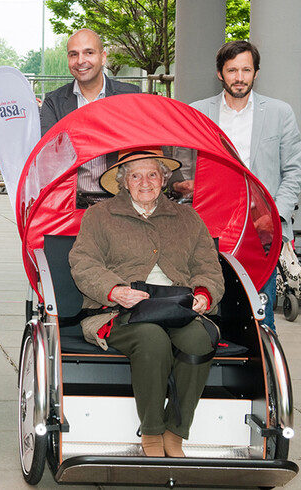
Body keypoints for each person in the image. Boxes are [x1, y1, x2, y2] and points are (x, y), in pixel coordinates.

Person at [69, 148, 224, 457]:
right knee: (151, 339)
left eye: (152, 174)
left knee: (198, 339)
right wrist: (115, 290)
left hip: (177, 308)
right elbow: (83, 263)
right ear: (124, 181)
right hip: (120, 310)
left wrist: (204, 295)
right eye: (136, 175)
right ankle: (152, 432)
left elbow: (209, 266)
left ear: (163, 179)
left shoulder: (187, 217)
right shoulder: (100, 216)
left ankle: (175, 431)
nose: (145, 182)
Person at [186, 40, 301, 330]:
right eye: (232, 70)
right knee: (206, 308)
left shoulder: (279, 112)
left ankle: (265, 373)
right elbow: (183, 170)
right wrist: (187, 187)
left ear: (256, 73)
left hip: (261, 229)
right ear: (219, 74)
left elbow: (294, 170)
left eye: (246, 70)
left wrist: (274, 216)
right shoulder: (197, 113)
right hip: (208, 227)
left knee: (260, 315)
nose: (239, 77)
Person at [40, 29, 140, 204]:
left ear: (103, 57)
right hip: (71, 203)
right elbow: (49, 158)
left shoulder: (131, 97)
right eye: (73, 54)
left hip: (122, 202)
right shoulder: (53, 103)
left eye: (89, 52)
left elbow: (152, 147)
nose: (80, 61)